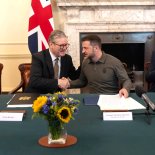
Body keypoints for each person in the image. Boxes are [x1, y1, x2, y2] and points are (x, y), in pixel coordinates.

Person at [63, 34, 132, 98]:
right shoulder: (85, 62)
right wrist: (67, 84)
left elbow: (126, 80)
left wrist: (125, 89)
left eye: (85, 48)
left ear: (96, 48)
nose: (83, 51)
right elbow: (82, 82)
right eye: (82, 48)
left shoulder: (114, 62)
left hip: (112, 99)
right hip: (93, 98)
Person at [25, 30, 80, 94]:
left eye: (66, 45)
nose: (64, 48)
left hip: (56, 97)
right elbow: (35, 81)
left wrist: (84, 62)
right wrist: (58, 82)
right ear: (51, 44)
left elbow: (74, 76)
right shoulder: (38, 57)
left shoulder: (67, 58)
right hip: (37, 95)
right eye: (61, 45)